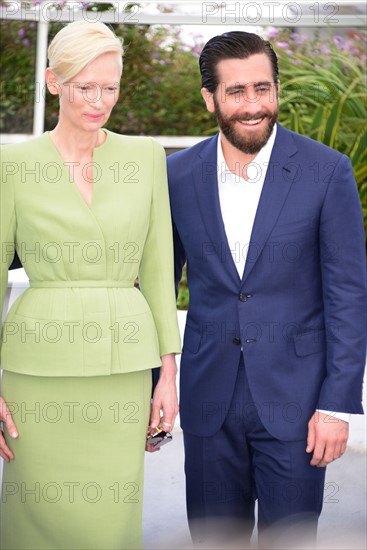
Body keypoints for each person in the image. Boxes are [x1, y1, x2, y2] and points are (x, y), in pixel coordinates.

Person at [167, 31, 366, 549]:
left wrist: (337, 406)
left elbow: (347, 293)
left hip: (300, 405)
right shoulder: (176, 176)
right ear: (209, 98)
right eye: (237, 92)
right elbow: (160, 287)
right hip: (208, 402)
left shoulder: (326, 172)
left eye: (263, 88)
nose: (253, 105)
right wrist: (155, 382)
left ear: (277, 89)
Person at [0, 20, 181, 550]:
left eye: (110, 87)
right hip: (37, 369)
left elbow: (157, 268)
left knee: (110, 521)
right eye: (85, 86)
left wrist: (167, 371)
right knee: (34, 514)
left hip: (123, 366)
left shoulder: (146, 158)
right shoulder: (12, 164)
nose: (98, 101)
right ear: (54, 81)